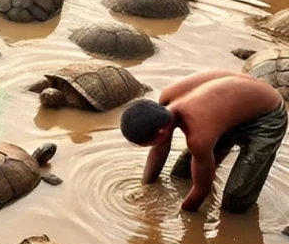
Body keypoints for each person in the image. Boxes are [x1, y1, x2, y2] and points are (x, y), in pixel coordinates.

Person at [120, 70, 286, 213]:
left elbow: (201, 190)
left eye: (147, 144)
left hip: (267, 117)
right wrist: (146, 188)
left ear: (162, 132)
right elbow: (159, 149)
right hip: (232, 108)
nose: (152, 147)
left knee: (235, 200)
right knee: (181, 175)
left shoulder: (198, 136)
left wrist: (183, 216)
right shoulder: (166, 102)